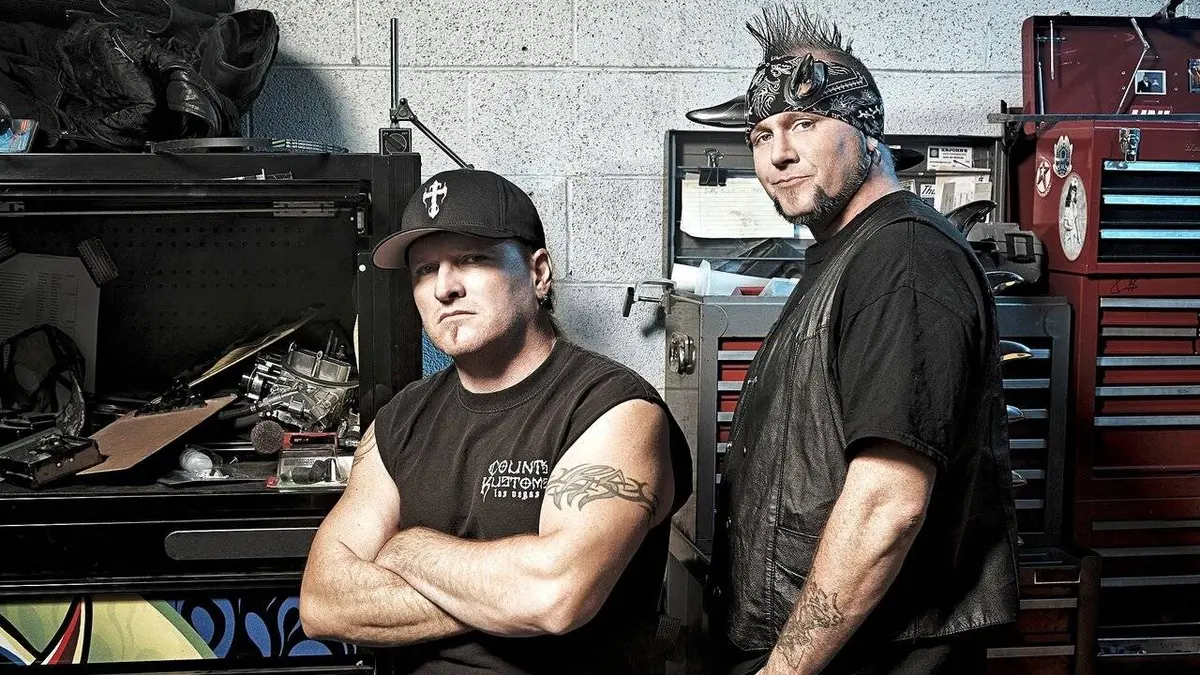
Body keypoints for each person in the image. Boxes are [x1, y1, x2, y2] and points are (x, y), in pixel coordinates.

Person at [690, 5, 1020, 674]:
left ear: (868, 131)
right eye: (760, 135)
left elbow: (886, 506)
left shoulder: (904, 261)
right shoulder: (854, 255)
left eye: (804, 124)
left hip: (863, 658)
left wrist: (784, 669)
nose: (778, 154)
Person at [299, 168, 692, 674]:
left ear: (538, 273)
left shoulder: (613, 409)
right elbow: (323, 603)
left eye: (472, 259)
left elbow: (554, 596)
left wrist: (406, 549)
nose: (444, 288)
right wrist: (500, 595)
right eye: (424, 270)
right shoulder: (400, 420)